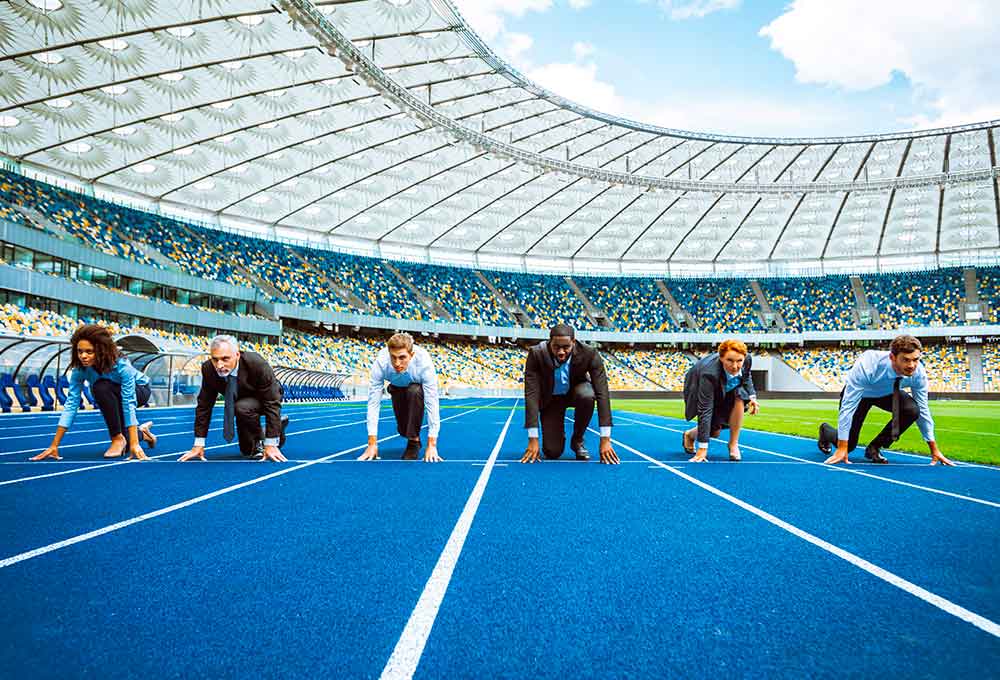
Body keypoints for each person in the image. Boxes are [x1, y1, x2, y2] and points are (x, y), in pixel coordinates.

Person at [818, 335, 953, 466]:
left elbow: (923, 409)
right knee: (849, 445)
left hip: (888, 393)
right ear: (892, 357)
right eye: (905, 360)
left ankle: (875, 447)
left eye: (915, 359)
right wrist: (842, 447)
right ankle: (825, 431)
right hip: (861, 395)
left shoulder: (919, 374)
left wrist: (934, 449)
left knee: (912, 410)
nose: (912, 365)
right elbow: (848, 407)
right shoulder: (868, 365)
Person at [31, 324, 155, 461]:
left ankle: (117, 439)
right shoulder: (79, 370)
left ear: (101, 351)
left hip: (140, 389)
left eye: (89, 352)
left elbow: (128, 402)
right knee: (126, 435)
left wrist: (135, 445)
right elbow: (71, 404)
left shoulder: (122, 366)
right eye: (79, 351)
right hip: (113, 393)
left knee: (101, 387)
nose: (83, 356)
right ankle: (143, 434)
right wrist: (54, 445)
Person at [179, 335, 288, 462]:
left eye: (225, 359)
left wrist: (270, 443)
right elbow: (204, 406)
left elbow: (272, 403)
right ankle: (274, 429)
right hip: (240, 401)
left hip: (265, 397)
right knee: (247, 451)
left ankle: (265, 439)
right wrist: (198, 444)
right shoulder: (208, 369)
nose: (219, 365)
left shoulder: (256, 363)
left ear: (237, 355)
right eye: (215, 359)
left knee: (242, 408)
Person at [521, 324, 618, 464]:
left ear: (574, 342)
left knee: (587, 394)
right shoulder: (537, 354)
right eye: (556, 347)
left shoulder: (589, 353)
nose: (561, 352)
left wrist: (605, 440)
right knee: (552, 452)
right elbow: (531, 395)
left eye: (566, 347)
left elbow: (602, 393)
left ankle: (577, 440)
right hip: (551, 399)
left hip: (576, 392)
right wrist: (533, 439)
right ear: (549, 343)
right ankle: (556, 437)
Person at [359, 332, 442, 462]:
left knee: (414, 391)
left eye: (402, 357)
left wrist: (432, 445)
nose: (397, 363)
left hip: (415, 390)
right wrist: (372, 444)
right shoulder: (381, 362)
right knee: (403, 430)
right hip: (396, 389)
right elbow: (373, 403)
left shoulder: (424, 364)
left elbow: (432, 403)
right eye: (393, 357)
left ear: (412, 355)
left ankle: (414, 442)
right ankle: (408, 432)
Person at [681, 339, 759, 462]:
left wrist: (752, 396)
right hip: (699, 385)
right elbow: (705, 409)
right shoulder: (709, 373)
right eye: (730, 361)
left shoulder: (747, 359)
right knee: (714, 432)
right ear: (721, 358)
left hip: (729, 387)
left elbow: (746, 375)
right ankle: (690, 435)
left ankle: (733, 444)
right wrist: (702, 449)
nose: (735, 366)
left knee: (740, 395)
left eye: (739, 361)